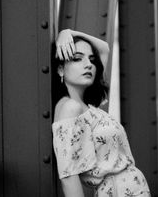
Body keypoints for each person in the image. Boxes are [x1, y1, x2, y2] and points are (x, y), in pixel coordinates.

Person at [52, 29, 151, 197]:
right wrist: (64, 36)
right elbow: (68, 176)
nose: (88, 64)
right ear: (60, 70)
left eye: (91, 60)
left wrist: (67, 32)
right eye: (77, 58)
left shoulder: (89, 107)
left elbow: (104, 48)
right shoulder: (69, 108)